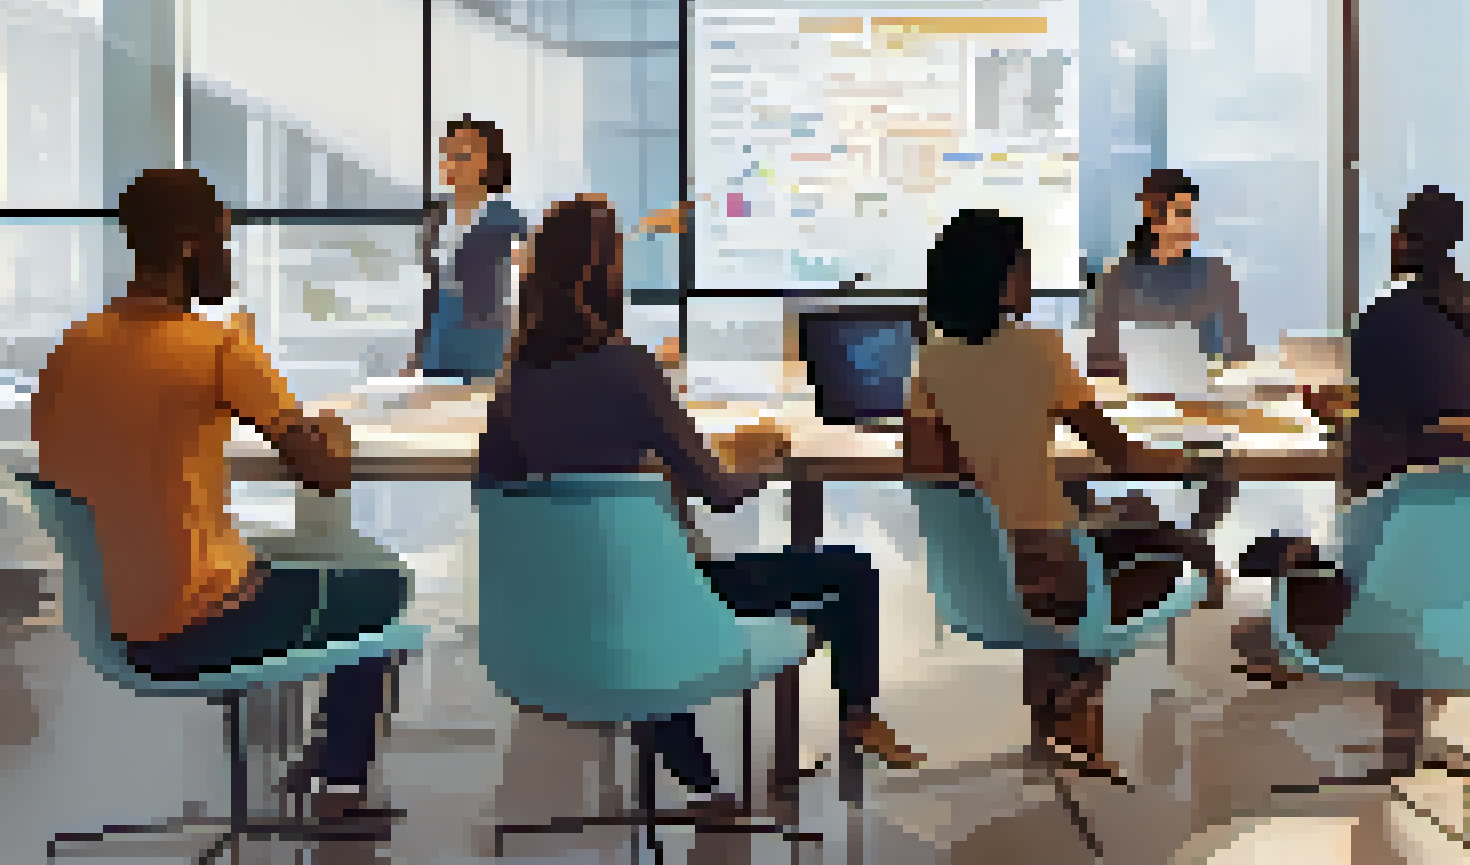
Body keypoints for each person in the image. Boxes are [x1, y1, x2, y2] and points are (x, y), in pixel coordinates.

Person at [477, 196, 923, 799]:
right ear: (599, 275)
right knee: (849, 573)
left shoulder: (512, 380)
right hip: (664, 603)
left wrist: (636, 473)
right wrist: (767, 460)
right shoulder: (628, 367)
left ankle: (707, 792)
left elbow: (504, 490)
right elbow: (721, 491)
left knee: (638, 613)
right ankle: (859, 717)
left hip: (564, 616)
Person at [32, 169, 407, 819]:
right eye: (220, 239)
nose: (225, 257)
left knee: (290, 561)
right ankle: (341, 784)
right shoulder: (217, 346)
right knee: (382, 586)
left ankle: (318, 757)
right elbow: (325, 474)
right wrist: (331, 435)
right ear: (187, 247)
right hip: (197, 620)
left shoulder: (74, 346)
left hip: (108, 616)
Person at [905, 209, 1217, 782]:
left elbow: (931, 473)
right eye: (1022, 264)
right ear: (997, 279)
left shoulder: (929, 360)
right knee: (1181, 557)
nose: (1030, 274)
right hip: (1055, 567)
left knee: (1124, 522)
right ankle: (1076, 691)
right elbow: (1120, 453)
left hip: (984, 575)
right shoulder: (1039, 349)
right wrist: (1196, 457)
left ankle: (1059, 713)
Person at [1230, 187, 1470, 769]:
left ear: (1407, 241)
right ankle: (1406, 712)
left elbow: (1370, 444)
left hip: (1394, 557)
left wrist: (1333, 419)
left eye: (1396, 232)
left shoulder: (1384, 320)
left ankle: (1394, 711)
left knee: (1288, 592)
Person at [1086, 169, 1252, 380]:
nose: (1191, 225)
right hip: (1136, 397)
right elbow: (1101, 359)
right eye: (1182, 214)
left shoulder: (1216, 275)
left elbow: (1239, 353)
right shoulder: (1117, 279)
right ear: (1155, 217)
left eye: (1191, 214)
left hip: (1208, 394)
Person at [410, 116, 530, 382]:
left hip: (483, 343)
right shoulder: (436, 215)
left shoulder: (505, 218)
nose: (451, 163)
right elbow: (431, 288)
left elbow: (526, 288)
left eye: (461, 156)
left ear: (488, 162)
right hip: (439, 338)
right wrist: (416, 356)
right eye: (447, 155)